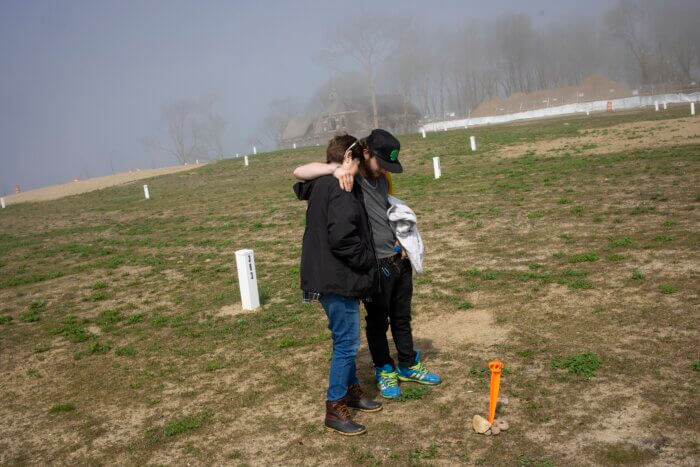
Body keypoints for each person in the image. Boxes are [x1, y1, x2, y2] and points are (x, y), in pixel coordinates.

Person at [293, 129, 441, 400]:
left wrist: (401, 241)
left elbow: (387, 212)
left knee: (402, 317)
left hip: (398, 260)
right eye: (381, 163)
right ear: (366, 154)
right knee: (377, 321)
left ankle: (408, 364)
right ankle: (384, 368)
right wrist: (334, 169)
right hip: (375, 266)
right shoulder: (353, 175)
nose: (385, 170)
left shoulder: (383, 180)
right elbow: (300, 172)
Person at [293, 134, 382, 436]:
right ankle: (334, 407)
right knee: (347, 343)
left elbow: (299, 174)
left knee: (343, 338)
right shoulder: (341, 186)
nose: (357, 168)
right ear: (348, 159)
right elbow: (343, 239)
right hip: (337, 278)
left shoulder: (321, 181)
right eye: (356, 161)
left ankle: (351, 391)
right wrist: (368, 263)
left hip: (326, 276)